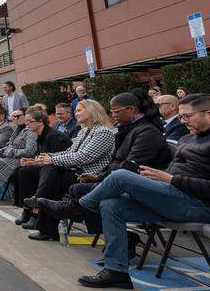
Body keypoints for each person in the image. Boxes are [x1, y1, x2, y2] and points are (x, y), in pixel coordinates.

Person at [75, 94, 210, 289]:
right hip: (177, 197)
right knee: (111, 204)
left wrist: (170, 179)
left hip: (207, 208)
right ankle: (116, 271)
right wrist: (158, 178)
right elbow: (176, 173)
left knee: (120, 176)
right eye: (180, 117)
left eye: (187, 117)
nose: (182, 121)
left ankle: (78, 207)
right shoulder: (190, 138)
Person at [38, 91, 173, 228]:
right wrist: (98, 176)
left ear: (131, 110)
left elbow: (128, 166)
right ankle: (50, 211)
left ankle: (71, 209)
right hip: (115, 176)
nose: (113, 116)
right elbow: (116, 162)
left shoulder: (145, 133)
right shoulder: (125, 129)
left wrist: (99, 177)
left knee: (63, 178)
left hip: (138, 183)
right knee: (52, 172)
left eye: (116, 112)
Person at [20, 99, 116, 241]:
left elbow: (84, 157)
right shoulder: (84, 132)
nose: (75, 113)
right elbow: (69, 151)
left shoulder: (103, 132)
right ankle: (40, 208)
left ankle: (41, 209)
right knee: (46, 173)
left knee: (51, 171)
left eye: (78, 110)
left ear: (92, 111)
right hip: (75, 172)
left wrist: (51, 159)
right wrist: (47, 157)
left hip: (88, 175)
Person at [0, 109, 70, 205]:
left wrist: (11, 152)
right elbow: (7, 145)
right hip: (13, 157)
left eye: (17, 116)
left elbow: (29, 151)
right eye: (12, 116)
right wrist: (2, 152)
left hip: (17, 159)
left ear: (40, 122)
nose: (14, 118)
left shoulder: (32, 132)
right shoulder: (18, 129)